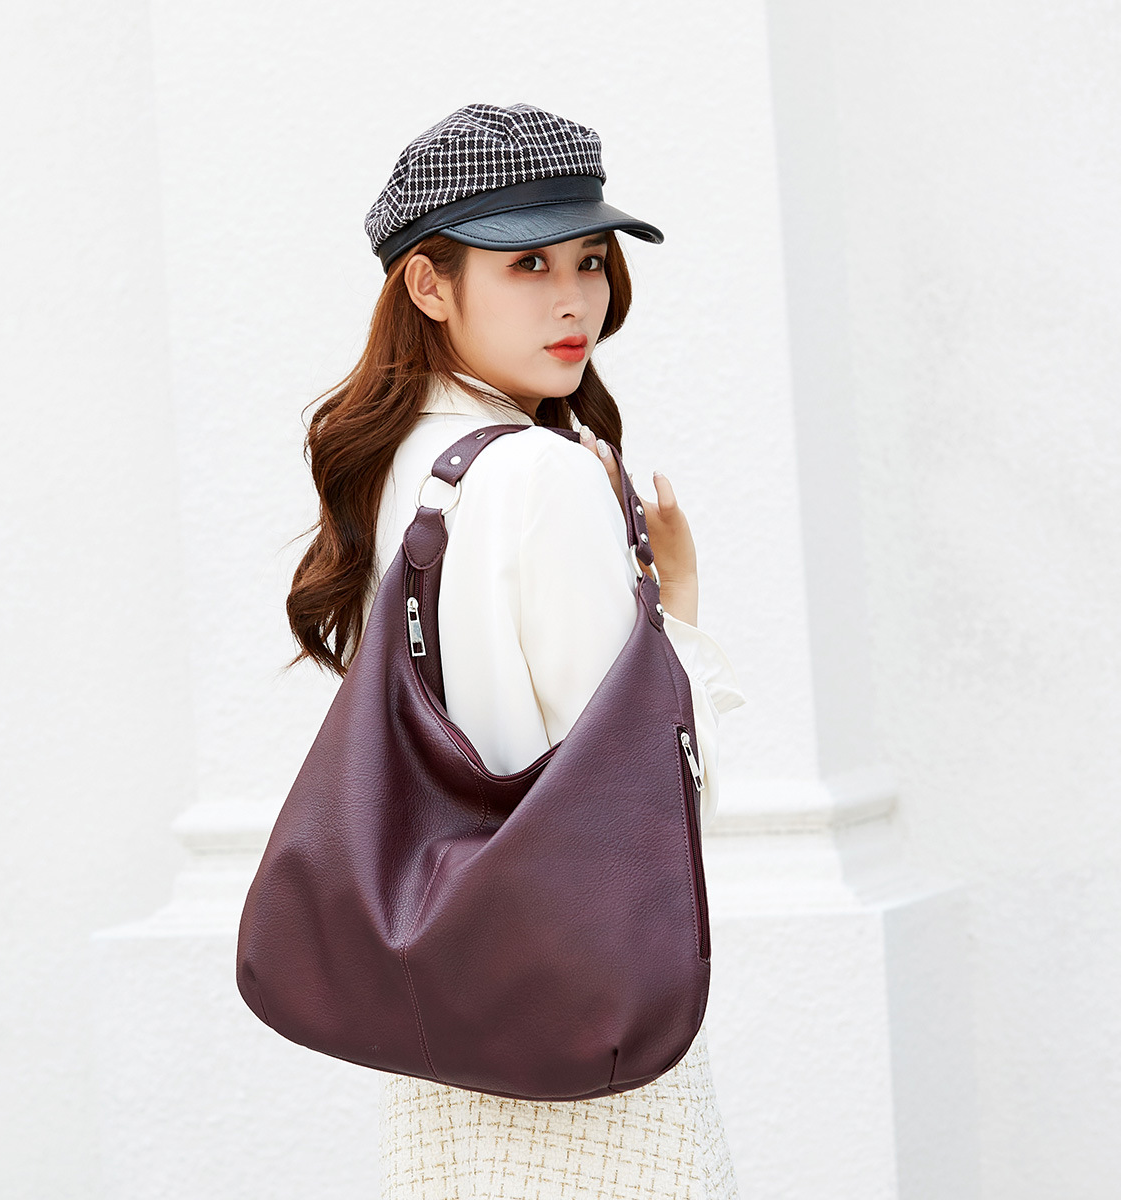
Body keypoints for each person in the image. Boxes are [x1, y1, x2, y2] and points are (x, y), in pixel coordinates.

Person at [286, 102, 747, 1200]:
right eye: (527, 262)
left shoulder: (400, 465)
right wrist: (676, 607)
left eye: (590, 259)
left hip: (447, 1023)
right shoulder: (543, 472)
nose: (574, 298)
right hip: (581, 1025)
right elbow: (645, 794)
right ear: (428, 285)